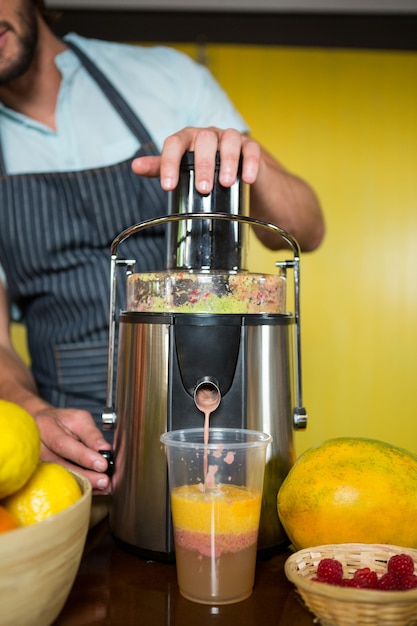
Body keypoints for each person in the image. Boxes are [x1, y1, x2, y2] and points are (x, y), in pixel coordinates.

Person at [0, 0, 324, 493]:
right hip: (72, 450)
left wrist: (234, 156)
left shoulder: (165, 79)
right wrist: (29, 413)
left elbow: (308, 226)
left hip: (207, 408)